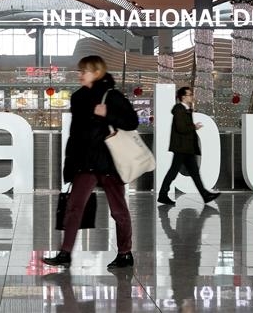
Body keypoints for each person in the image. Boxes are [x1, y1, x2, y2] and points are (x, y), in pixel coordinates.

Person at [42, 55, 138, 269]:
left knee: (118, 210)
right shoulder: (78, 98)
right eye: (79, 71)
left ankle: (125, 253)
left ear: (96, 72)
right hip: (85, 162)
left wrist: (108, 114)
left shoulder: (112, 96)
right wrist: (69, 165)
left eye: (83, 71)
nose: (80, 75)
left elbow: (132, 122)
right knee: (73, 207)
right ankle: (65, 253)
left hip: (109, 162)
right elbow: (74, 134)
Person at [158, 86, 220, 205]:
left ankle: (205, 195)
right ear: (183, 97)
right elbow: (181, 128)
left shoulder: (186, 110)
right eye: (189, 95)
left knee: (193, 172)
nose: (192, 97)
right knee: (174, 171)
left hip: (186, 148)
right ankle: (162, 195)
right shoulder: (179, 109)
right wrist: (194, 126)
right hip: (182, 147)